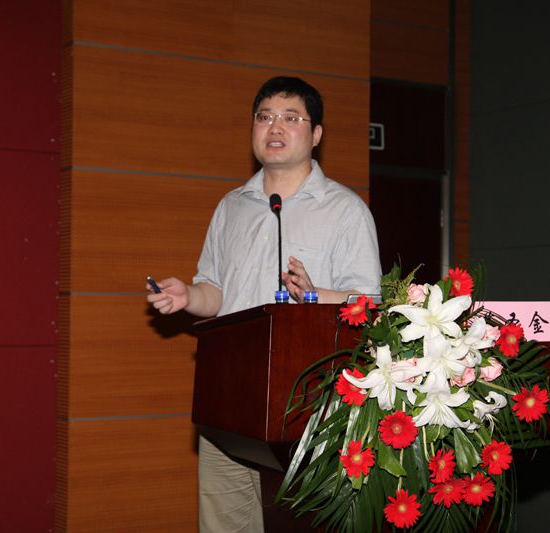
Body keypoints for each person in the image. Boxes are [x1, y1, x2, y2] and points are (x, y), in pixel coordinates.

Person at [147, 76, 381, 532]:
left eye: (291, 118)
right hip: (229, 400)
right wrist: (189, 296)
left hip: (307, 409)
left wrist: (312, 294)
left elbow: (368, 305)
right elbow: (217, 291)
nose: (275, 127)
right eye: (265, 116)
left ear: (316, 134)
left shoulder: (344, 210)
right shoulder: (232, 206)